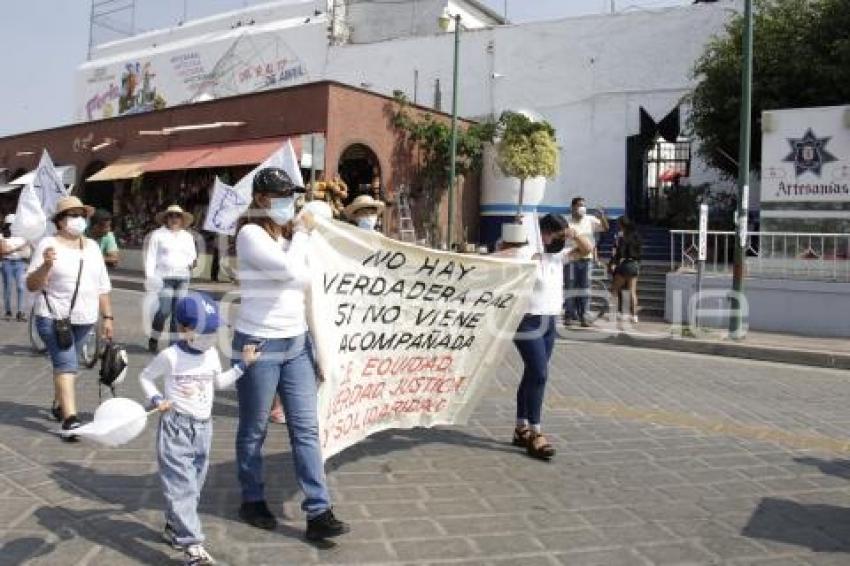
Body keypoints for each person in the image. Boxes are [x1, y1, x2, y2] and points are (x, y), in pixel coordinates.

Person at [232, 167, 349, 541]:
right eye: (282, 195)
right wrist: (300, 232)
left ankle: (318, 509)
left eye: (292, 195)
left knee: (306, 427)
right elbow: (290, 274)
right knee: (255, 428)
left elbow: (311, 278)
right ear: (262, 198)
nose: (290, 202)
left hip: (296, 342)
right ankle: (252, 497)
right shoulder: (250, 234)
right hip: (260, 344)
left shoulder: (289, 237)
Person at [140, 292, 259, 566]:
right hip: (176, 428)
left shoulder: (212, 356)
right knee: (181, 487)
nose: (210, 336)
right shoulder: (170, 356)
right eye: (204, 331)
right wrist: (157, 399)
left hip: (204, 429)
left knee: (193, 487)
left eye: (213, 330)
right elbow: (145, 377)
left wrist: (243, 365)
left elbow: (218, 384)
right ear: (183, 329)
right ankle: (193, 547)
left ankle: (173, 525)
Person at [495, 215, 591, 460]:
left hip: (550, 321)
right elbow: (498, 253)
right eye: (554, 234)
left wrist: (573, 233)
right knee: (540, 373)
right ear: (542, 233)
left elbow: (587, 249)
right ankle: (536, 432)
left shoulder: (558, 257)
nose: (557, 238)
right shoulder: (526, 254)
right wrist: (516, 241)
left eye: (560, 234)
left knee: (532, 372)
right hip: (526, 319)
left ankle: (520, 428)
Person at [26, 196, 113, 440]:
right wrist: (45, 266)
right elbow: (31, 285)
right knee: (67, 364)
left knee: (67, 364)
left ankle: (59, 403)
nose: (78, 220)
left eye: (81, 215)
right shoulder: (48, 244)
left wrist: (108, 317)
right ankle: (70, 419)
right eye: (72, 215)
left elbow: (102, 286)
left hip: (85, 317)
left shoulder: (93, 247)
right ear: (60, 221)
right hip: (53, 317)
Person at [145, 204, 197, 353]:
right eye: (171, 215)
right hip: (164, 278)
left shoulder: (188, 236)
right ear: (166, 218)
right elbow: (151, 257)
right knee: (164, 310)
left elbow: (192, 255)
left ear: (182, 219)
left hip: (183, 278)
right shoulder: (157, 235)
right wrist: (150, 277)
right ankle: (154, 337)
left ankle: (173, 347)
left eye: (177, 216)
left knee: (178, 314)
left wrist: (191, 262)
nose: (174, 218)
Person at [564, 197, 608, 327]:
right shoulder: (566, 221)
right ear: (572, 207)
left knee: (585, 288)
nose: (582, 208)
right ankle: (569, 315)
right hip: (571, 258)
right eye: (579, 205)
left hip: (586, 259)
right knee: (570, 287)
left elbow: (605, 228)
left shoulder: (590, 220)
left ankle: (584, 316)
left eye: (584, 205)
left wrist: (602, 216)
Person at [609, 216, 642, 323]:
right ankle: (634, 316)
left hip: (625, 264)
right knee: (632, 291)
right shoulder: (636, 235)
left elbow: (620, 252)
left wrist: (614, 262)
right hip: (635, 264)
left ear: (622, 225)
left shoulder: (622, 236)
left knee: (614, 289)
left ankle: (615, 313)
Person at [1, 214, 30, 321]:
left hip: (20, 263)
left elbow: (27, 252)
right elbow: (3, 251)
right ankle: (8, 311)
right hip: (6, 263)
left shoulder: (22, 236)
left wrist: (12, 249)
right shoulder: (2, 236)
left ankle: (20, 312)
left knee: (21, 287)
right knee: (8, 287)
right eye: (10, 224)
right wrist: (18, 248)